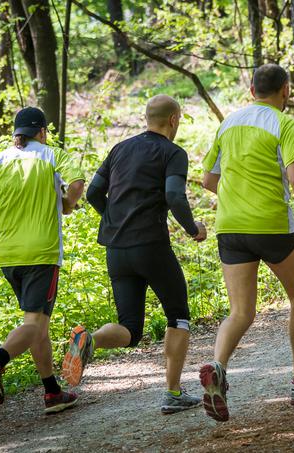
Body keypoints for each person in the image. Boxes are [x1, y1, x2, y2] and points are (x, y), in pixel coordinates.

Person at [198, 64, 294, 422]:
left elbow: (208, 179)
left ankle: (217, 367)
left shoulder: (228, 123)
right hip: (271, 226)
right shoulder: (285, 124)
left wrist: (237, 195)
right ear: (285, 90)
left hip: (229, 228)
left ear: (252, 89)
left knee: (241, 311)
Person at [62, 95, 207, 415]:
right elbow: (173, 195)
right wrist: (192, 228)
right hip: (150, 246)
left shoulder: (119, 149)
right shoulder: (173, 152)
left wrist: (113, 219)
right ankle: (172, 392)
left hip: (116, 249)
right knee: (178, 315)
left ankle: (89, 340)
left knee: (130, 329)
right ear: (173, 120)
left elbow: (93, 193)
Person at [0, 107, 85, 414]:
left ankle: (52, 392)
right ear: (42, 131)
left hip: (8, 254)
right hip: (42, 252)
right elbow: (76, 184)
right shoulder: (51, 155)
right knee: (35, 324)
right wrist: (67, 204)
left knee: (37, 326)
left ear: (17, 133)